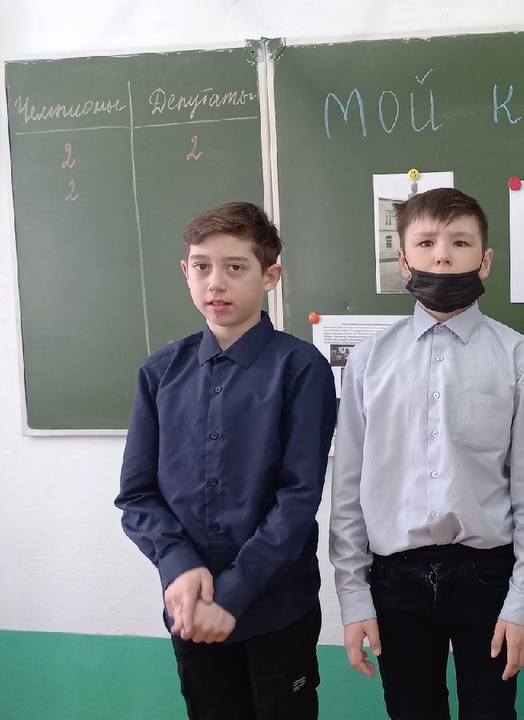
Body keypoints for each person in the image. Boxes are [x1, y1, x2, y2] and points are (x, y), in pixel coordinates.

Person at [329, 187, 524, 720]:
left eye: (460, 242)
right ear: (404, 259)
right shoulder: (368, 362)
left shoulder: (520, 358)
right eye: (426, 243)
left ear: (485, 259)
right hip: (394, 581)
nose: (442, 256)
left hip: (487, 577)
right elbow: (348, 487)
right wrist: (353, 596)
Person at [116, 202, 337, 719]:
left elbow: (298, 499)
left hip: (275, 610)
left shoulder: (301, 368)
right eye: (202, 266)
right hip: (190, 609)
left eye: (235, 267)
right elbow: (137, 495)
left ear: (270, 276)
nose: (215, 282)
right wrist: (178, 564)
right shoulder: (160, 373)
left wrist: (232, 595)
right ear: (185, 271)